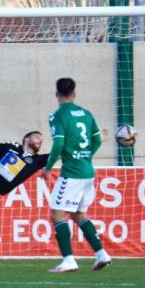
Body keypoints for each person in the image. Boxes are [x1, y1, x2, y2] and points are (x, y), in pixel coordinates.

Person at [43, 77, 112, 273]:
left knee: (57, 213)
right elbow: (97, 139)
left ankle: (68, 260)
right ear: (74, 94)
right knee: (78, 214)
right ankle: (101, 254)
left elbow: (58, 144)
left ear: (56, 94)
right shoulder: (87, 114)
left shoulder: (57, 115)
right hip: (88, 172)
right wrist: (86, 156)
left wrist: (48, 167)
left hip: (71, 173)